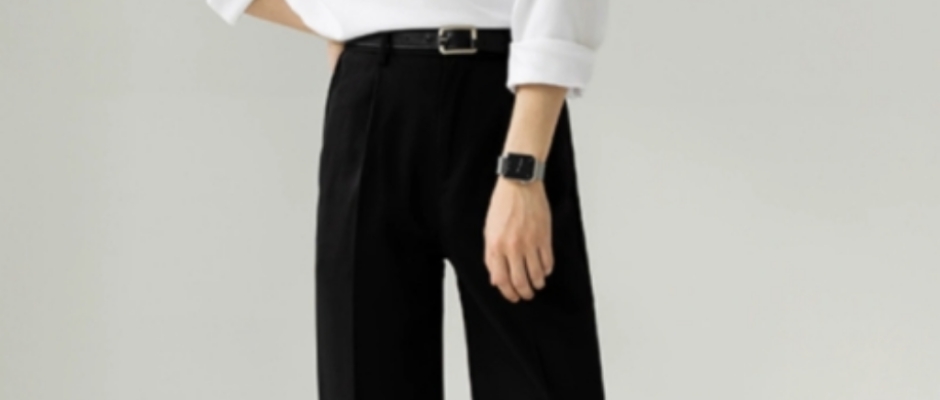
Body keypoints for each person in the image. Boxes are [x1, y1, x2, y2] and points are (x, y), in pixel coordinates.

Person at [207, 0, 608, 398]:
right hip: (371, 97)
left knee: (542, 376)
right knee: (365, 378)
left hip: (505, 107)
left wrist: (523, 170)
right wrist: (340, 17)